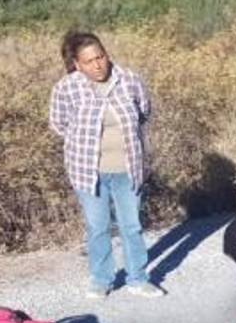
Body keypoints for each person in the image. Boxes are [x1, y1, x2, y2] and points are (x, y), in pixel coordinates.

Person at [49, 31, 163, 299]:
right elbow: (58, 124)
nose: (97, 65)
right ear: (77, 64)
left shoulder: (129, 79)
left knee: (131, 225)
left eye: (100, 57)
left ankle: (138, 277)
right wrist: (84, 142)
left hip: (127, 167)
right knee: (97, 227)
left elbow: (143, 112)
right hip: (88, 171)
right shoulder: (67, 88)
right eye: (89, 61)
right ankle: (102, 279)